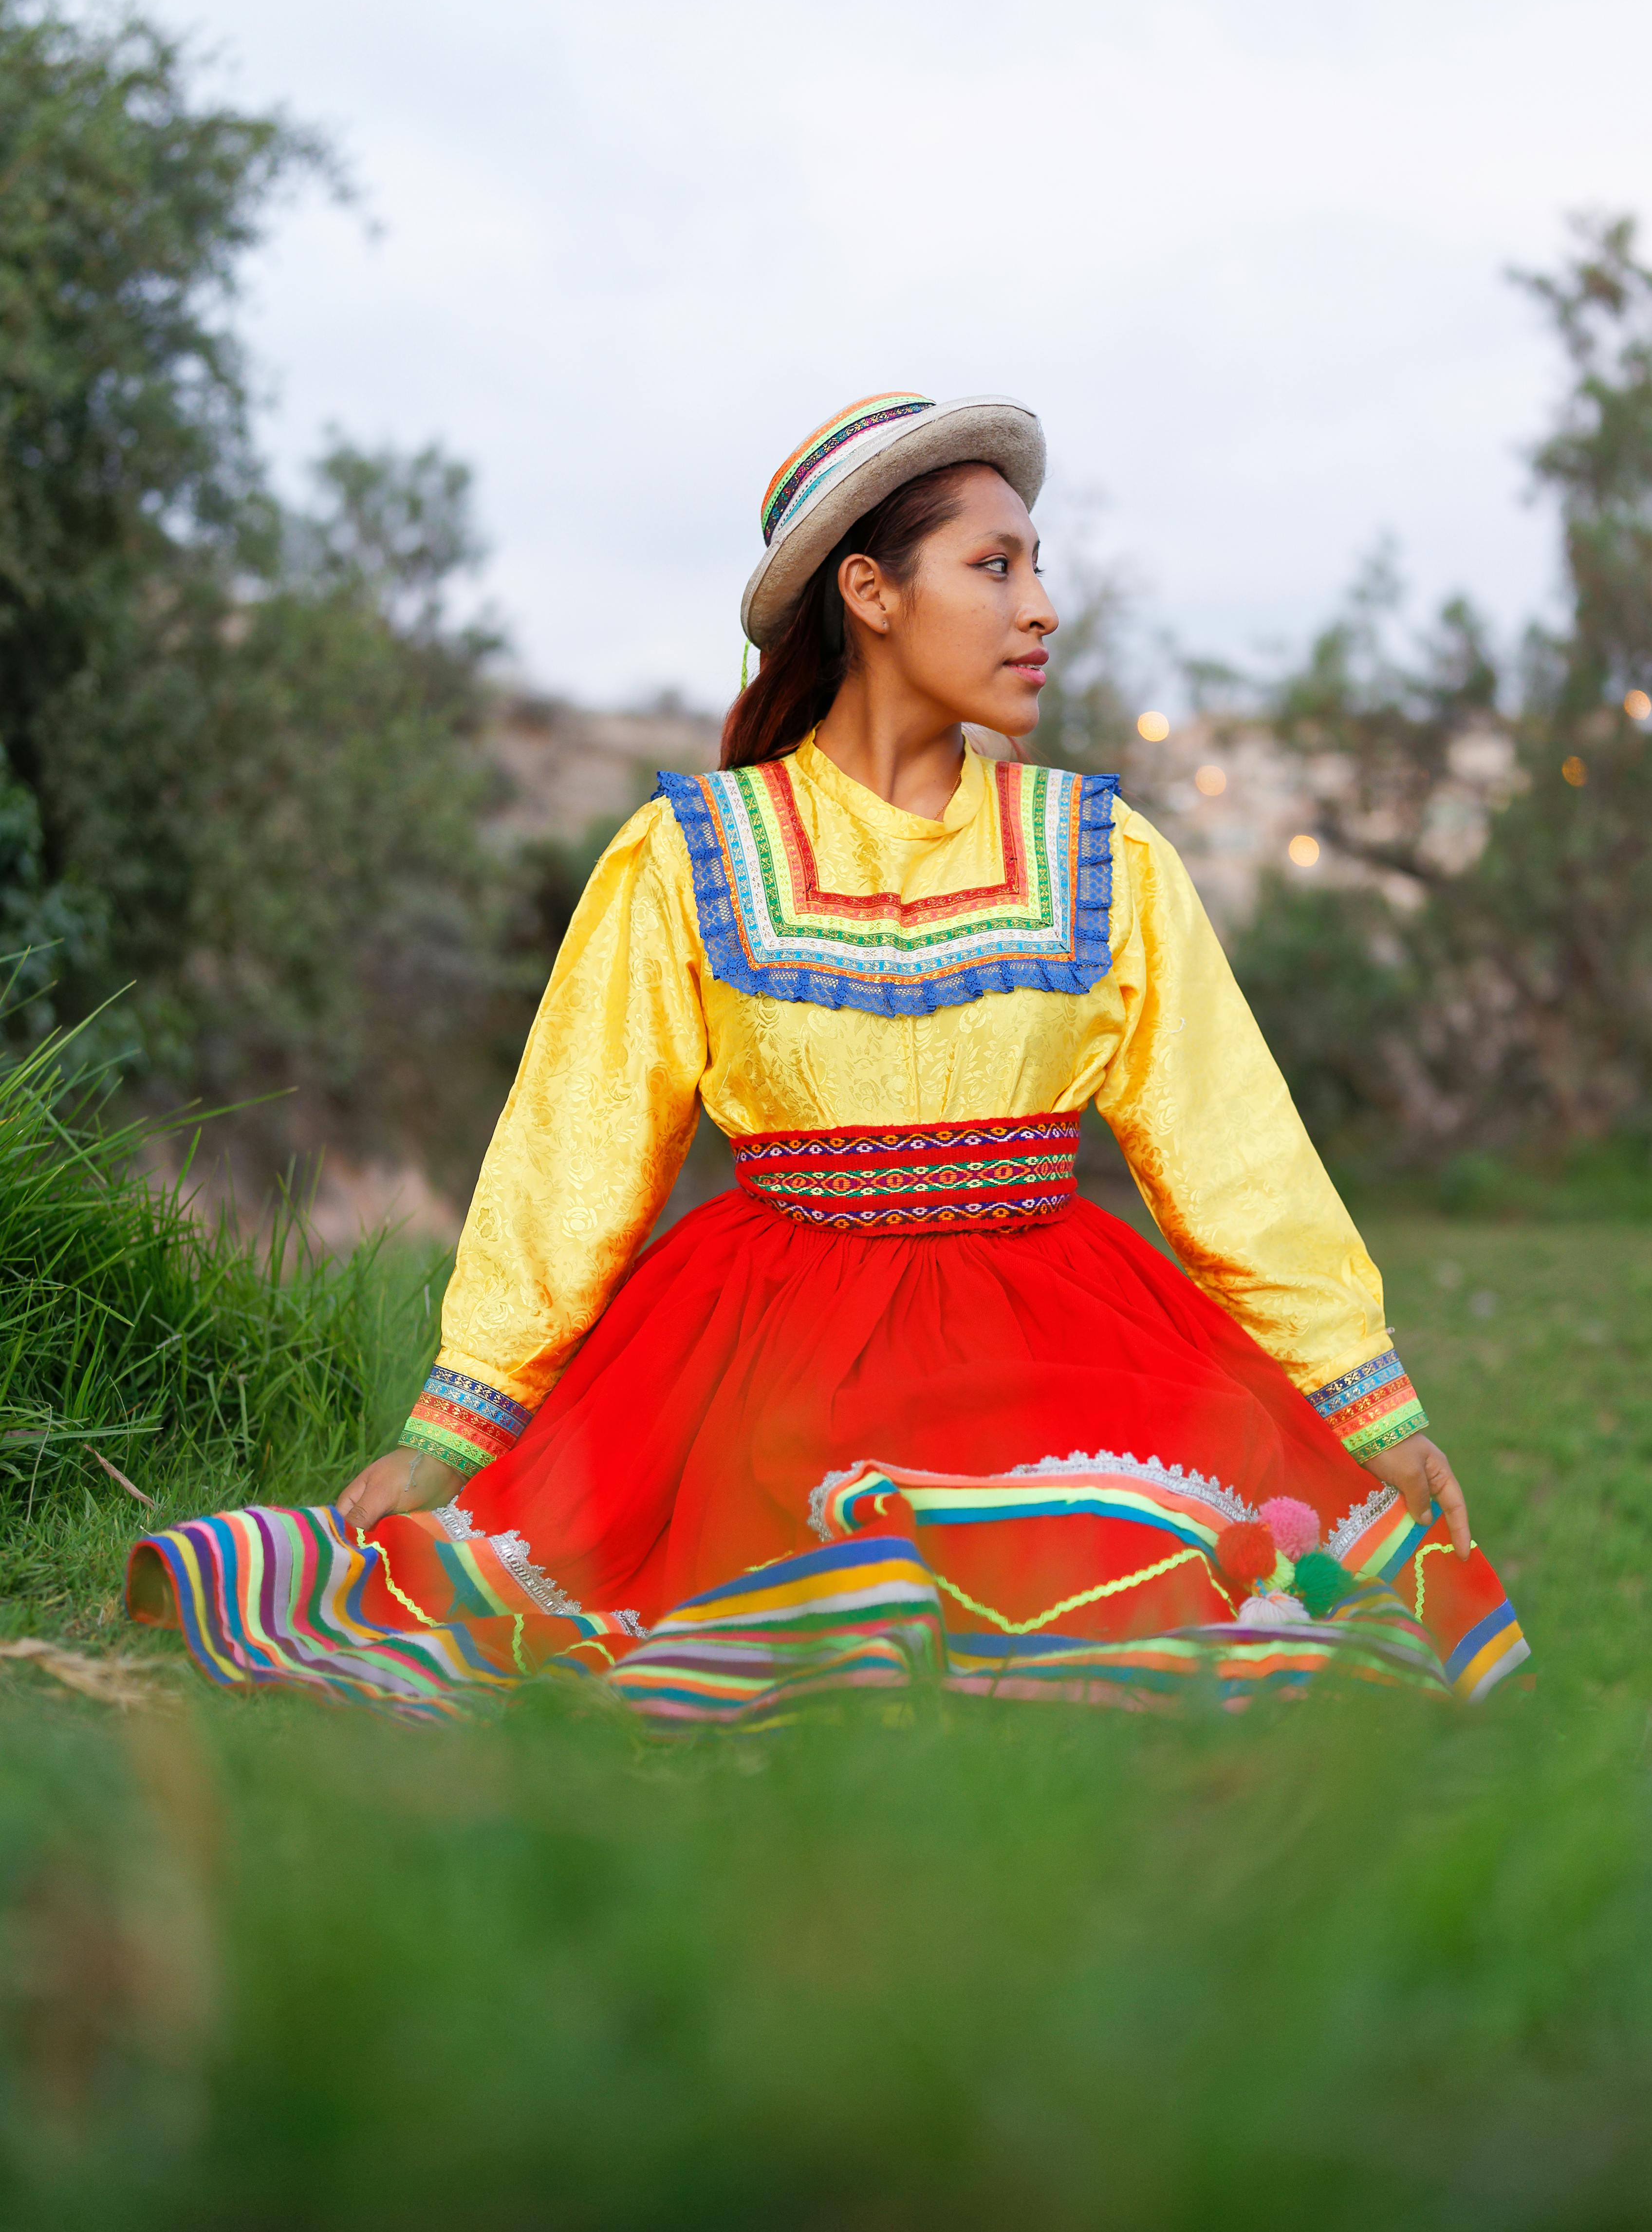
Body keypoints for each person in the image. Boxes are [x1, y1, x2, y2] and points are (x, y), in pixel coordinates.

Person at [130, 392, 1527, 1714]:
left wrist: (1371, 1401)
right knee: (781, 1593)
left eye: (1037, 566)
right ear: (870, 592)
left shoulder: (1105, 856)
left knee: (1195, 1571)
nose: (1040, 607)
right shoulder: (689, 856)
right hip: (765, 1355)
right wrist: (453, 1433)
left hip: (1052, 1335)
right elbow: (577, 1155)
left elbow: (1234, 1153)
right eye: (993, 566)